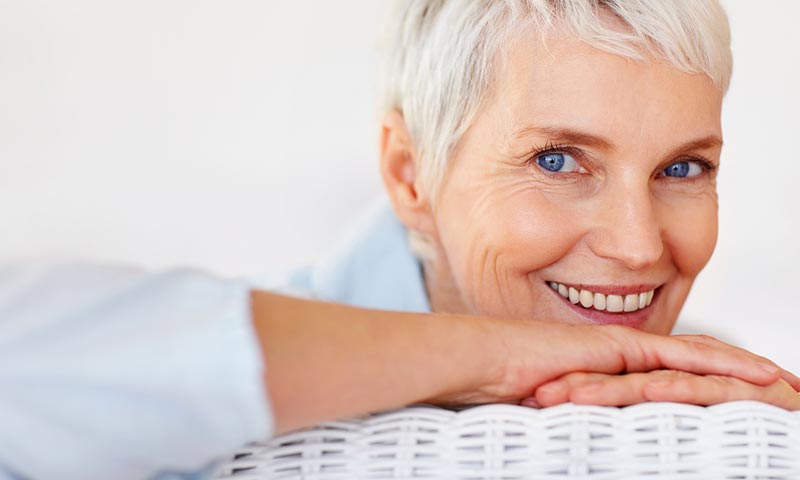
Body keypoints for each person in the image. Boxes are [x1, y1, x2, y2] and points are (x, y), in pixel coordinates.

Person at [1, 1, 798, 479]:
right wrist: (488, 355)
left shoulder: (723, 396)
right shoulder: (194, 406)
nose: (636, 245)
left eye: (683, 167)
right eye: (557, 160)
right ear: (410, 174)